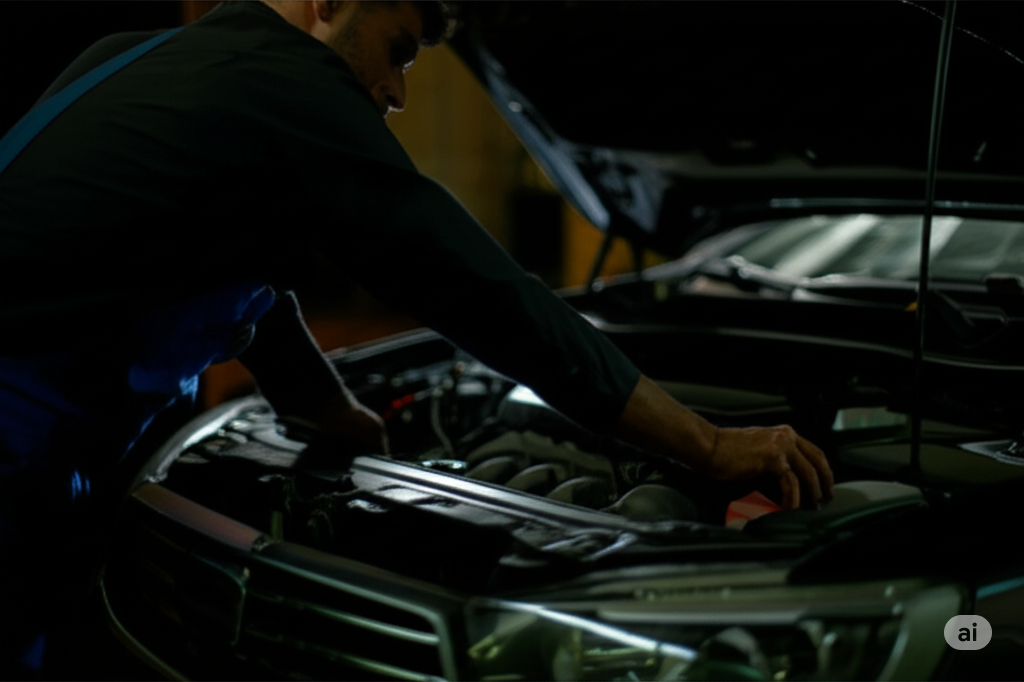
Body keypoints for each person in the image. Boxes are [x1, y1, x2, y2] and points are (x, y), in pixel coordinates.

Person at [0, 1, 833, 676]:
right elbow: (479, 291)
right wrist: (707, 446)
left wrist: (326, 410)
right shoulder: (291, 84)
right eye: (399, 50)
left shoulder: (133, 56)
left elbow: (246, 279)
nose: (398, 91)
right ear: (327, 5)